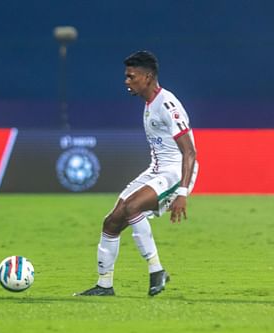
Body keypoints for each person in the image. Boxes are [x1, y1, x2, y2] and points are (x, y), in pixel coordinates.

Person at [75, 51, 198, 297]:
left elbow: (190, 152)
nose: (126, 81)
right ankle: (104, 285)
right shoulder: (148, 104)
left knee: (133, 208)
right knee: (111, 221)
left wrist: (182, 192)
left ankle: (156, 271)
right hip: (156, 171)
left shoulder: (167, 105)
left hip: (176, 172)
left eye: (131, 77)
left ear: (148, 76)